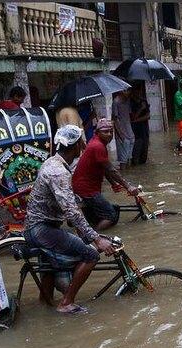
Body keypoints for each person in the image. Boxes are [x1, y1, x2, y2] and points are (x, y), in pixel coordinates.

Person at [24, 125, 115, 314]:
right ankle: (67, 302)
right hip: (42, 229)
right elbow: (71, 210)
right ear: (76, 146)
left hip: (37, 227)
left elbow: (67, 204)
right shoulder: (58, 171)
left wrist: (83, 228)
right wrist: (96, 238)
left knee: (49, 266)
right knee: (91, 255)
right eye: (81, 142)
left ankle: (46, 303)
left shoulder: (51, 163)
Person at [72, 118, 140, 231]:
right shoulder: (98, 146)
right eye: (105, 131)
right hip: (87, 190)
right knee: (111, 215)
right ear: (97, 132)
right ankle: (94, 238)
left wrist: (113, 183)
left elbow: (103, 167)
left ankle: (88, 231)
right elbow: (111, 169)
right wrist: (128, 186)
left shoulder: (96, 142)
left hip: (82, 187)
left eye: (111, 131)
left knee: (94, 219)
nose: (109, 134)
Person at [112, 89, 135, 170]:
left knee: (129, 157)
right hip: (122, 134)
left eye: (129, 91)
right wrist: (120, 134)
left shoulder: (127, 101)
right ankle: (124, 176)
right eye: (127, 91)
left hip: (130, 133)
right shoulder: (116, 101)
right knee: (123, 160)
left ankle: (129, 177)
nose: (128, 93)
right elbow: (114, 119)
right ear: (122, 91)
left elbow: (129, 116)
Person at [130, 86, 151, 165]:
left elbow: (148, 116)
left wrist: (136, 120)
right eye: (137, 91)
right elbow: (133, 117)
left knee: (144, 154)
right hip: (135, 132)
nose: (139, 93)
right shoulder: (130, 103)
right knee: (135, 153)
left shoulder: (144, 101)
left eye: (140, 91)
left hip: (145, 130)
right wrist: (141, 109)